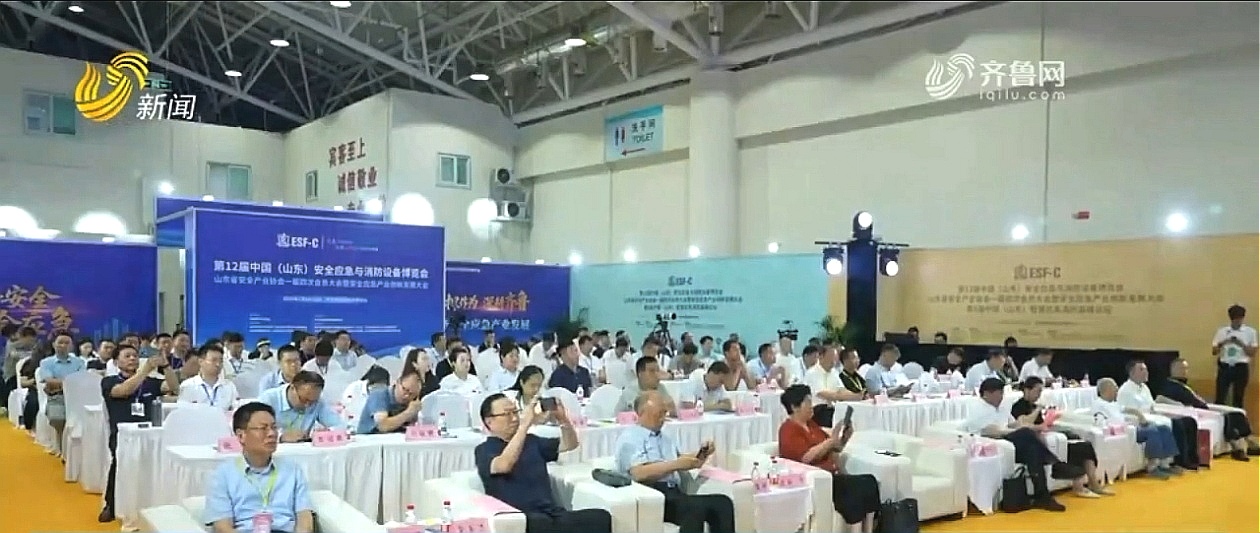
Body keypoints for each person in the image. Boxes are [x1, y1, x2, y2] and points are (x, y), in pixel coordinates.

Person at [475, 393, 612, 533]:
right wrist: (525, 425)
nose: (514, 418)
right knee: (541, 524)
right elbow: (504, 465)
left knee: (601, 517)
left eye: (515, 412)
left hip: (552, 515)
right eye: (506, 414)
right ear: (489, 421)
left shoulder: (532, 441)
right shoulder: (484, 450)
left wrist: (563, 419)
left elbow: (570, 444)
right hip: (521, 520)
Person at [614, 391, 735, 533]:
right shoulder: (630, 438)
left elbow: (680, 459)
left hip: (676, 493)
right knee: (695, 509)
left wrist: (701, 454)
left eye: (664, 413)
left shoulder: (665, 438)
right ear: (642, 413)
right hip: (653, 496)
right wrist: (676, 464)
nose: (663, 418)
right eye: (658, 413)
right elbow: (638, 473)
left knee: (722, 503)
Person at [965, 378, 1080, 511]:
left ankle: (1043, 496)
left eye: (1002, 393)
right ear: (987, 394)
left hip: (1012, 441)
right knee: (1026, 434)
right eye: (999, 393)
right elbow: (990, 431)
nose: (1002, 397)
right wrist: (1017, 430)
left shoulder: (1001, 407)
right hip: (993, 443)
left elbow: (1013, 423)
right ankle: (1055, 465)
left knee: (1033, 452)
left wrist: (1021, 426)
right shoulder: (977, 408)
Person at [777, 384, 879, 531]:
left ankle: (869, 529)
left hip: (832, 474)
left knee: (869, 481)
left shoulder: (811, 425)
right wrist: (830, 441)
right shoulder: (788, 429)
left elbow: (835, 447)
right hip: (816, 481)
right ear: (794, 407)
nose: (812, 406)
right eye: (807, 402)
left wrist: (844, 437)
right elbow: (805, 458)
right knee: (855, 489)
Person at [204, 402, 315, 533]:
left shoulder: (292, 470)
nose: (272, 434)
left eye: (274, 427)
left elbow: (305, 518)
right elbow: (223, 527)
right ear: (241, 436)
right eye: (263, 428)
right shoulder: (222, 475)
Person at [98, 344, 179, 522]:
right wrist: (144, 371)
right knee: (118, 465)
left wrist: (166, 366)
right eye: (127, 356)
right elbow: (123, 391)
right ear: (116, 362)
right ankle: (111, 504)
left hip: (149, 433)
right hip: (122, 435)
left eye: (135, 356)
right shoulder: (109, 381)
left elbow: (173, 387)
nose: (132, 359)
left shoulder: (150, 382)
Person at [1011, 377, 1110, 497]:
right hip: (1041, 443)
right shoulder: (1018, 406)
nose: (1039, 395)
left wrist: (1050, 421)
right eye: (1037, 391)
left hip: (1049, 436)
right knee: (1077, 449)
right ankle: (1079, 486)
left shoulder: (1035, 406)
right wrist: (1038, 411)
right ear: (1027, 390)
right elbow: (1024, 425)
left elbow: (1043, 425)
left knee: (1085, 446)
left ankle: (1093, 483)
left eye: (1041, 391)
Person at [1157, 357, 1259, 460]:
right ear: (1173, 369)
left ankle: (1248, 442)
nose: (1184, 371)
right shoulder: (1170, 386)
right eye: (1182, 368)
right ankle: (1237, 448)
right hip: (1194, 411)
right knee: (1228, 417)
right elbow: (1169, 401)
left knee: (1237, 413)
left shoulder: (1182, 384)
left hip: (1202, 407)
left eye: (1186, 368)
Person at [1117, 360, 1199, 470]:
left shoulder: (1144, 388)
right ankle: (1177, 461)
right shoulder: (1125, 390)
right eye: (1141, 370)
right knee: (1174, 424)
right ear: (1132, 373)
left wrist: (1166, 414)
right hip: (1138, 420)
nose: (1146, 372)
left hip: (1151, 415)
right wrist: (1141, 416)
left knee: (1186, 421)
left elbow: (1152, 406)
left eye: (1146, 369)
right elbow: (1123, 410)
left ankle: (1186, 459)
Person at [1094, 378, 1179, 479]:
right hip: (1122, 432)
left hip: (1129, 427)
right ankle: (1152, 467)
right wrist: (1125, 426)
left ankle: (1165, 464)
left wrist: (1138, 414)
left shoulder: (1113, 403)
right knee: (1152, 431)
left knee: (1163, 428)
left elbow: (1126, 409)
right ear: (1106, 389)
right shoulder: (1099, 405)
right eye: (1115, 387)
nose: (1117, 390)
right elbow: (1101, 424)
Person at [256, 371, 345, 442]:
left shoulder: (317, 402)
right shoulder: (268, 399)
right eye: (304, 400)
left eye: (312, 402)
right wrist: (281, 437)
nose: (307, 405)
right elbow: (254, 431)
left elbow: (340, 425)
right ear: (292, 388)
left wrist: (327, 433)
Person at [38, 330, 86, 451]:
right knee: (58, 419)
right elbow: (49, 381)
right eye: (60, 342)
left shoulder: (79, 362)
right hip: (57, 397)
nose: (63, 345)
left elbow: (81, 379)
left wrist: (60, 382)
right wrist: (70, 382)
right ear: (53, 344)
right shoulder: (46, 362)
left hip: (77, 397)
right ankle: (63, 448)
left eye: (67, 343)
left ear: (72, 345)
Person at [1212, 304, 1257, 408]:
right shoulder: (1222, 331)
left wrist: (1241, 344)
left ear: (1242, 318)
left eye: (1239, 319)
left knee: (1238, 397)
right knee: (1220, 397)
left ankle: (1236, 417)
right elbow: (1214, 351)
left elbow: (1252, 353)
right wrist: (1224, 342)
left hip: (1240, 367)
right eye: (1234, 319)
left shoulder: (1250, 332)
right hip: (1225, 367)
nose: (1236, 322)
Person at [357, 370, 423, 434]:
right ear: (397, 382)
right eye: (405, 389)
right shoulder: (379, 394)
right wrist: (408, 413)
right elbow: (383, 426)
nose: (406, 395)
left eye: (411, 394)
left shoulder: (412, 403)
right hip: (369, 438)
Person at [178, 344, 239, 411]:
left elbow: (236, 409)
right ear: (200, 361)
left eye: (221, 361)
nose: (218, 364)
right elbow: (182, 411)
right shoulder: (188, 385)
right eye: (214, 360)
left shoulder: (229, 386)